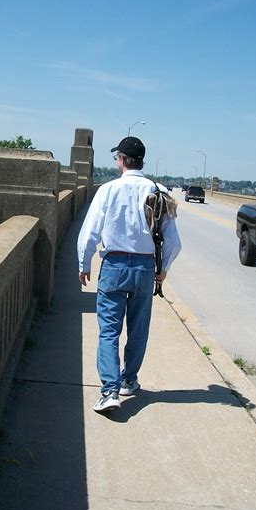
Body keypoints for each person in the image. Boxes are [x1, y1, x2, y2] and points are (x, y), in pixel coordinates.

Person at [77, 136, 181, 414]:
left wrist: (83, 264)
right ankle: (128, 381)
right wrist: (163, 268)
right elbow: (173, 240)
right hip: (145, 269)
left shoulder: (108, 190)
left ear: (122, 160)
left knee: (109, 331)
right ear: (141, 161)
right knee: (138, 330)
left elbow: (90, 232)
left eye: (116, 158)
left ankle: (109, 391)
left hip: (113, 266)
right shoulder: (158, 192)